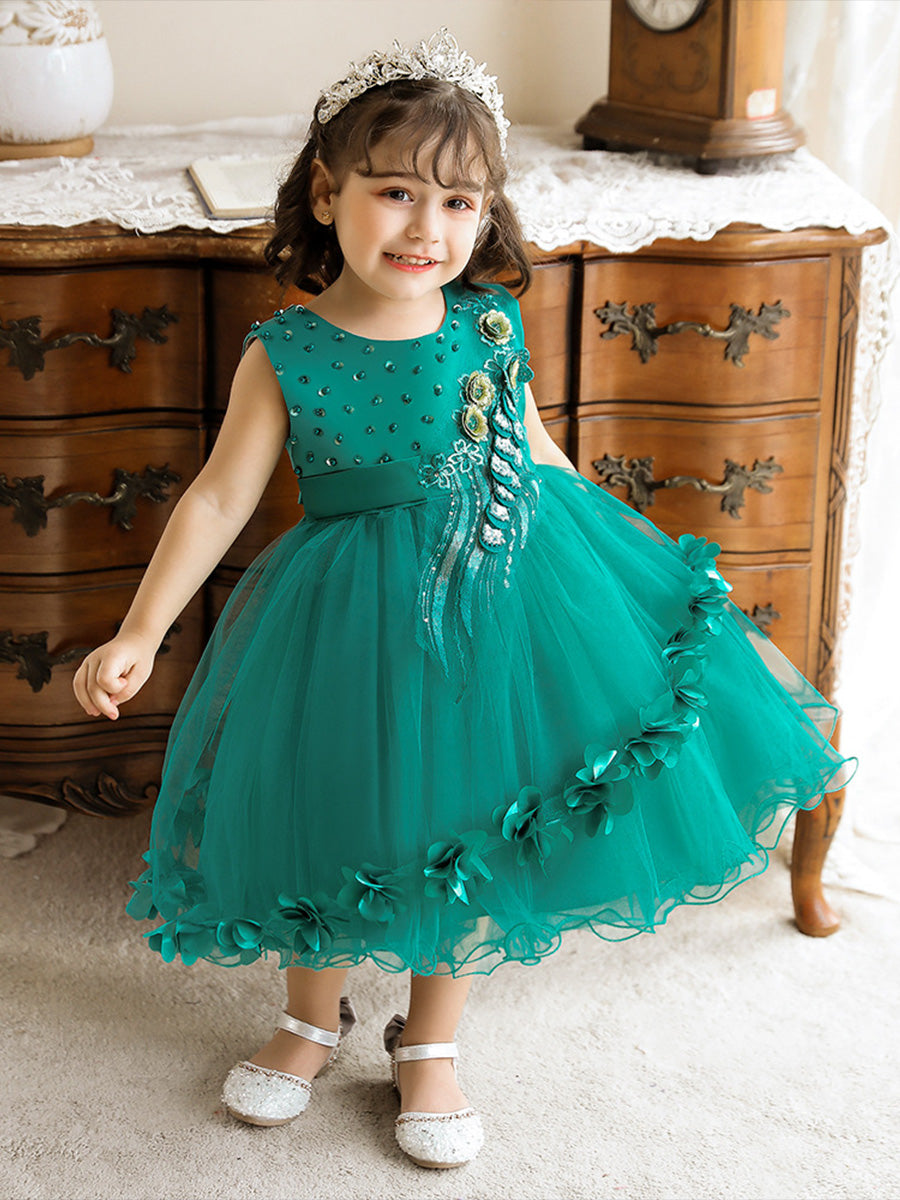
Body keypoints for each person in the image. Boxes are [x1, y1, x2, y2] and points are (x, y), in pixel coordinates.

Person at [72, 29, 857, 1172]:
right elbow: (217, 497)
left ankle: (430, 1039)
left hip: (492, 596)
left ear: (484, 217)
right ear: (328, 193)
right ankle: (309, 1017)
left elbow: (539, 457)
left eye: (458, 203)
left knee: (472, 815)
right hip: (342, 618)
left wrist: (623, 573)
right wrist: (142, 630)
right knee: (330, 805)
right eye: (396, 192)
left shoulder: (488, 327)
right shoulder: (287, 350)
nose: (426, 228)